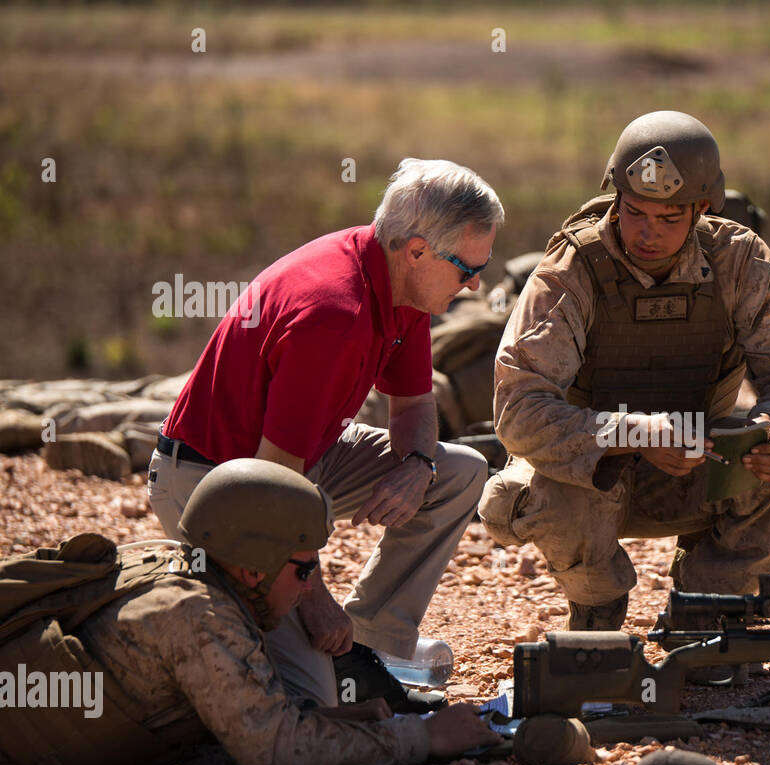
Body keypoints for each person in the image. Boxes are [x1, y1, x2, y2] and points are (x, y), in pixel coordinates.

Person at [479, 112, 770, 681]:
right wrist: (634, 434)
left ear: (702, 210)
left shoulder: (740, 259)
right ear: (616, 196)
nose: (648, 232)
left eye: (669, 217)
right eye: (634, 212)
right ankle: (597, 613)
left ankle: (708, 614)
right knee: (540, 488)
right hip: (595, 472)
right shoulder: (571, 271)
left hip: (698, 463)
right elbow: (518, 409)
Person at [148, 159, 504, 710]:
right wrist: (315, 597)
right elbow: (273, 488)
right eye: (466, 270)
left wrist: (416, 467)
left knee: (459, 471)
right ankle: (305, 660)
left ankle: (366, 649)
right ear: (416, 251)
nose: (475, 284)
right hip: (216, 485)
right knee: (316, 700)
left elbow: (413, 406)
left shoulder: (400, 282)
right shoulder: (335, 315)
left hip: (290, 464)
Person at [0, 459, 500, 765]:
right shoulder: (197, 615)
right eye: (303, 570)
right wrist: (426, 738)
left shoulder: (185, 566)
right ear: (251, 569)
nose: (310, 589)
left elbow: (242, 711)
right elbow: (276, 751)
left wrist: (333, 718)